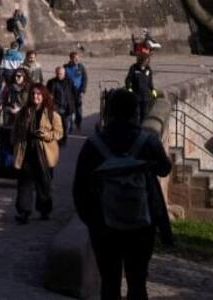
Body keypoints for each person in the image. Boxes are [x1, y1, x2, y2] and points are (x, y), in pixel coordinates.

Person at [73, 89, 172, 300]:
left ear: (109, 112)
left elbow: (79, 187)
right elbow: (165, 168)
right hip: (141, 222)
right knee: (137, 282)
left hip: (104, 223)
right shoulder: (147, 141)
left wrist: (91, 219)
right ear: (135, 112)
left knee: (109, 282)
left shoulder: (94, 144)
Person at [14, 84, 64, 223]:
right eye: (33, 94)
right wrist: (15, 143)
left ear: (43, 96)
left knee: (44, 183)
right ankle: (24, 212)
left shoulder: (52, 114)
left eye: (38, 94)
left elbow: (59, 133)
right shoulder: (23, 112)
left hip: (44, 152)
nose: (35, 96)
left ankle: (44, 210)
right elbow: (16, 130)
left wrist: (46, 135)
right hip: (27, 150)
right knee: (24, 183)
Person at [47, 64, 82, 139]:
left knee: (66, 125)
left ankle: (65, 138)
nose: (59, 75)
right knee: (56, 124)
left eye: (61, 74)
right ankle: (59, 138)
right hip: (56, 108)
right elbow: (48, 95)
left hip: (67, 108)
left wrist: (78, 101)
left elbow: (75, 92)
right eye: (58, 73)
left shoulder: (69, 82)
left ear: (64, 73)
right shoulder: (51, 82)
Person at [125, 44, 157, 117]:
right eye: (144, 60)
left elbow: (150, 82)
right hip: (136, 96)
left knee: (145, 115)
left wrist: (153, 90)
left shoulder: (148, 69)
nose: (145, 61)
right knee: (136, 115)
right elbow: (128, 80)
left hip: (146, 97)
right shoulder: (133, 68)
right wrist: (129, 89)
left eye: (147, 60)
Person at [63, 50, 89, 130]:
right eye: (74, 59)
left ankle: (78, 123)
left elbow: (85, 79)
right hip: (69, 92)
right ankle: (69, 126)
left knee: (78, 110)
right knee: (69, 109)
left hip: (78, 92)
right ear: (70, 58)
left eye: (77, 59)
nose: (76, 60)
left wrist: (83, 90)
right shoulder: (65, 67)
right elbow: (62, 79)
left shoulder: (81, 67)